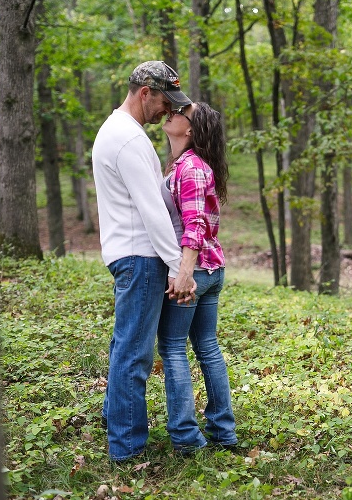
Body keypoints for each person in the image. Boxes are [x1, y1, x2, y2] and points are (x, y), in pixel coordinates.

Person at [92, 61, 195, 461]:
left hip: (131, 254)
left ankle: (117, 426)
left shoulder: (119, 131)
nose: (167, 111)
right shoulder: (127, 139)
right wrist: (177, 266)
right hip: (140, 256)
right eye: (164, 102)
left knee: (125, 347)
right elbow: (153, 211)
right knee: (135, 355)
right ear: (144, 93)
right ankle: (128, 448)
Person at [157, 102, 239, 453]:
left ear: (189, 130)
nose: (169, 113)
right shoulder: (190, 165)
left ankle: (187, 439)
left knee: (174, 348)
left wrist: (183, 273)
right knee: (207, 347)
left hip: (195, 271)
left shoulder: (189, 167)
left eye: (179, 113)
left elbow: (195, 225)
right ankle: (223, 432)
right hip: (212, 269)